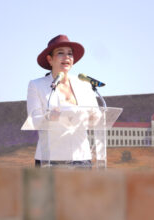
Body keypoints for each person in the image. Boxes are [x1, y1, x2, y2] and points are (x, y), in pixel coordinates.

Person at [27, 34, 99, 168]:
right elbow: (34, 120)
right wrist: (50, 117)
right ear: (50, 59)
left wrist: (93, 116)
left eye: (70, 54)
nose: (67, 57)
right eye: (61, 53)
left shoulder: (84, 84)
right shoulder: (36, 85)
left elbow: (98, 117)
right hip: (50, 160)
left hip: (81, 158)